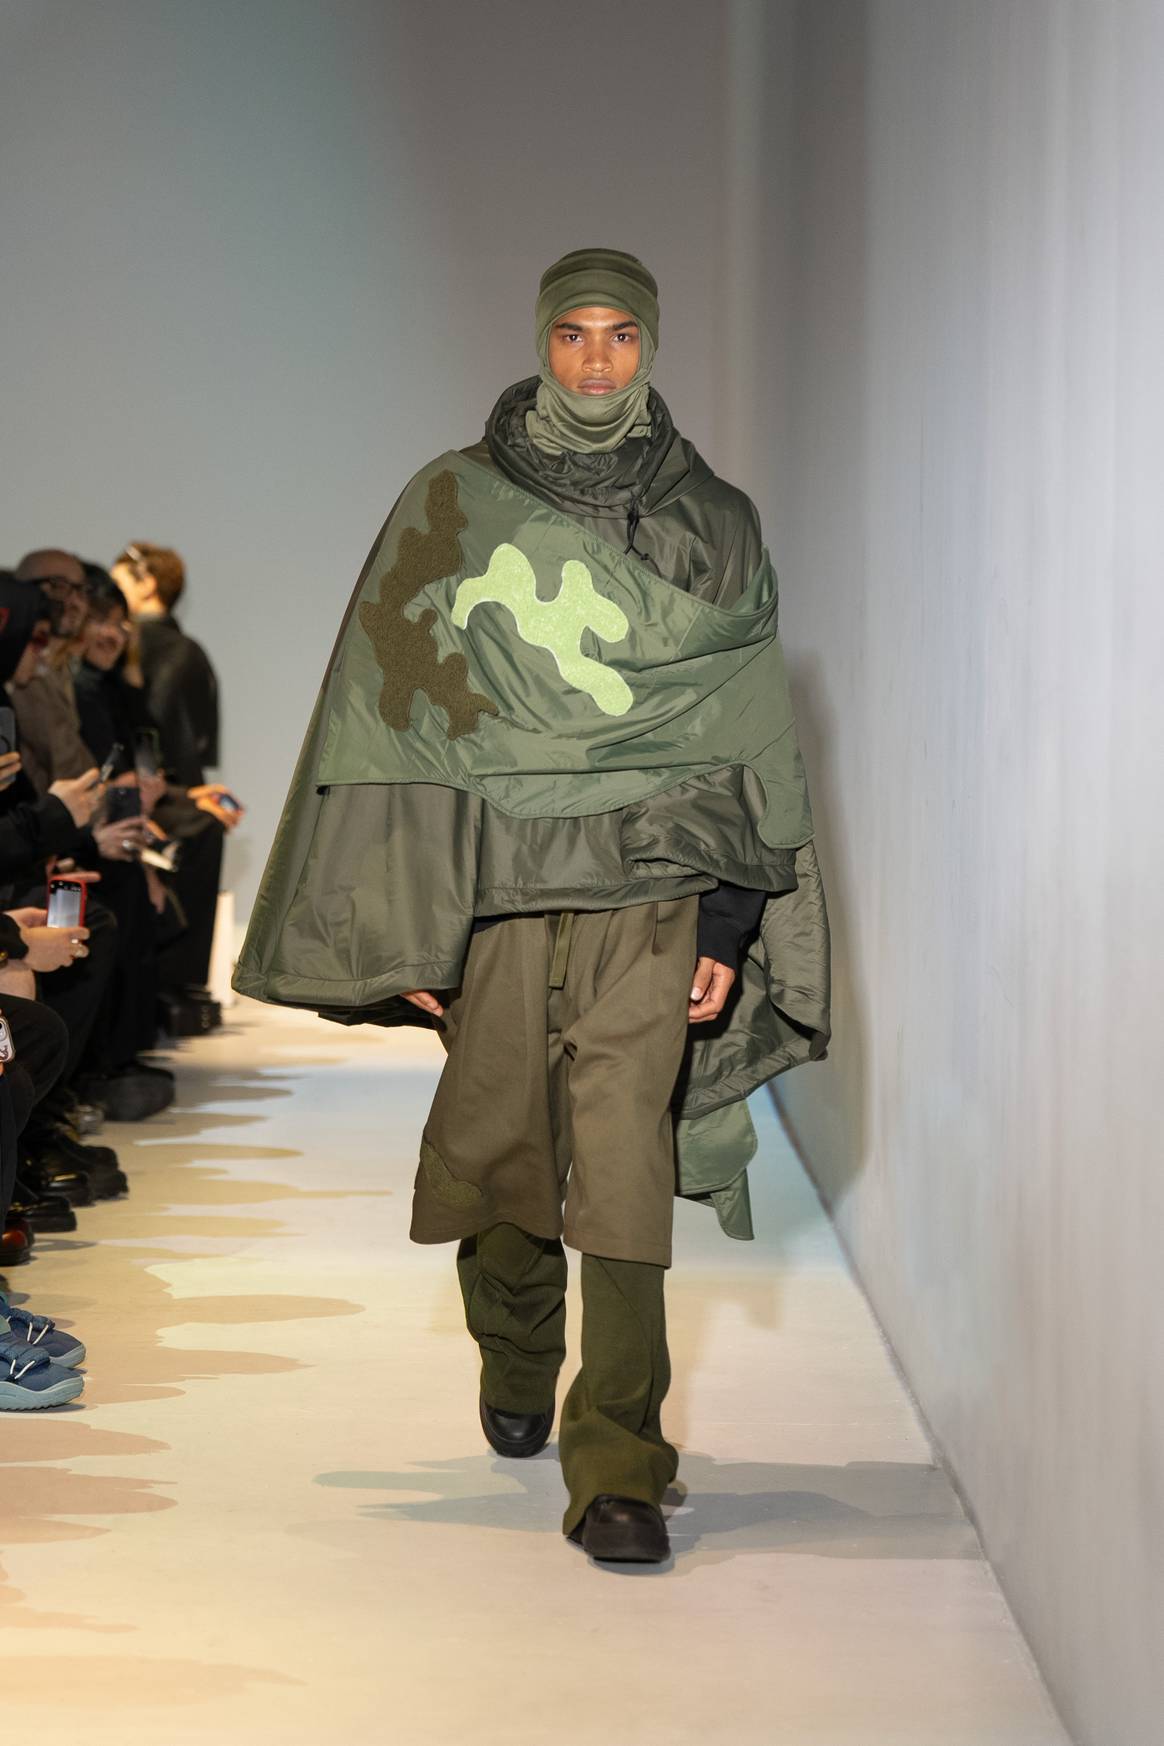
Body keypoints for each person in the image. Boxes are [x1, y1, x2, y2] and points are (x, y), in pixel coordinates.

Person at [236, 248, 831, 1565]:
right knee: (504, 1155)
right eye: (575, 333)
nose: (598, 359)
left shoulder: (713, 520)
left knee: (623, 1167)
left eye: (621, 333)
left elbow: (744, 729)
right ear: (543, 342)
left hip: (652, 895)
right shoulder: (455, 501)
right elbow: (394, 713)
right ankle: (515, 1351)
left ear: (650, 345)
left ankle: (618, 1460)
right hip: (499, 896)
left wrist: (727, 925)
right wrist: (417, 924)